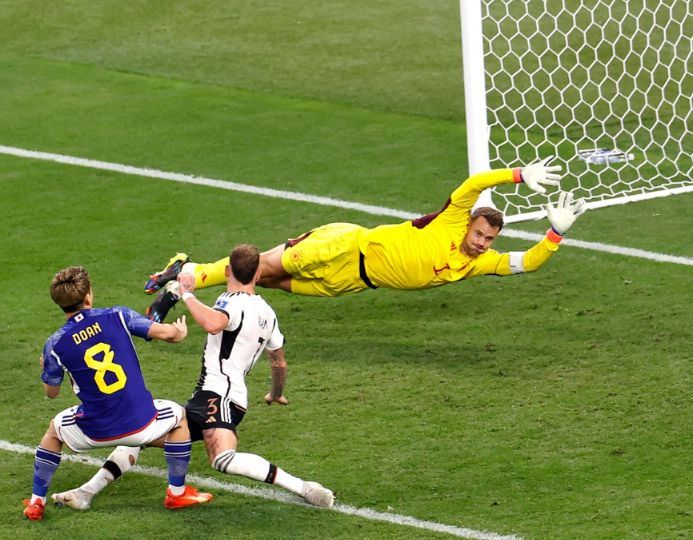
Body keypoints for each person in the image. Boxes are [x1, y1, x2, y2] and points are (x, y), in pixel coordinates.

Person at [52, 245, 335, 511]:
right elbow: (279, 362)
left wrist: (186, 294)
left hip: (218, 396)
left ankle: (304, 488)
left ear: (226, 271)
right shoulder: (269, 315)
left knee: (222, 459)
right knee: (139, 433)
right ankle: (84, 493)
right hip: (217, 397)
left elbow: (214, 323)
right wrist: (276, 393)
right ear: (259, 274)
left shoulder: (233, 303)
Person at [144, 158, 587, 321]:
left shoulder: (476, 263)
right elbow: (474, 183)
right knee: (257, 267)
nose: (483, 244)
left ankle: (182, 272)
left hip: (352, 282)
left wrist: (554, 235)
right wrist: (518, 176)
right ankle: (184, 282)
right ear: (469, 225)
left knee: (268, 283)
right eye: (480, 234)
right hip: (344, 244)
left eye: (489, 240)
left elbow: (525, 263)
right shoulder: (451, 221)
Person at [23, 266, 213, 521]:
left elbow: (52, 392)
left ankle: (36, 502)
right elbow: (168, 334)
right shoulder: (116, 316)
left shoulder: (55, 343)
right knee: (178, 416)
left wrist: (45, 367)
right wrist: (179, 331)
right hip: (142, 422)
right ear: (88, 295)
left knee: (53, 433)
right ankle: (177, 492)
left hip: (94, 431)